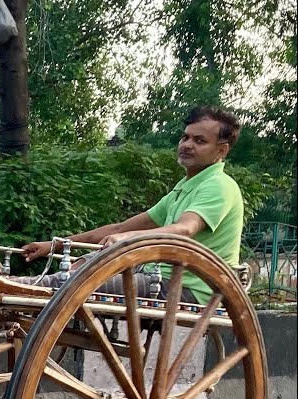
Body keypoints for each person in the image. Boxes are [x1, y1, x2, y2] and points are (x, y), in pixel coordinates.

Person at [16, 106, 244, 305]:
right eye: (185, 138)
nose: (187, 145)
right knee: (85, 264)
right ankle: (15, 286)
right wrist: (55, 245)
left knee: (80, 279)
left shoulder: (218, 186)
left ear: (222, 151)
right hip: (158, 278)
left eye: (199, 141)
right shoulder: (185, 187)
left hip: (190, 290)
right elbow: (118, 229)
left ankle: (14, 286)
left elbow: (184, 230)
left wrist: (128, 240)